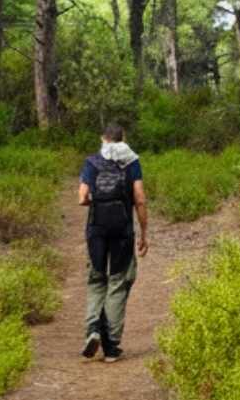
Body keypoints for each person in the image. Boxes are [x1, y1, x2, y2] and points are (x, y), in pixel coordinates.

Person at [79, 122, 148, 363]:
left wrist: (99, 201)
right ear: (123, 138)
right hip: (122, 230)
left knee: (96, 279)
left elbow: (82, 198)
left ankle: (93, 329)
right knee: (119, 281)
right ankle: (111, 346)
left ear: (103, 138)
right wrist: (144, 233)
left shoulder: (92, 162)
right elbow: (140, 198)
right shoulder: (132, 162)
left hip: (96, 229)